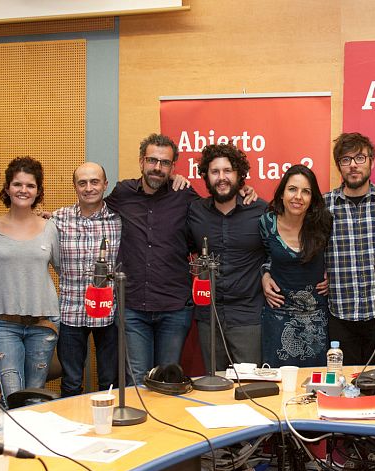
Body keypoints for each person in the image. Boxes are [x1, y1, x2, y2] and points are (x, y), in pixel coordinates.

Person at [105, 134, 199, 384]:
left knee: (168, 381)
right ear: (141, 161)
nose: (158, 168)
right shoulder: (122, 192)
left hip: (174, 307)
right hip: (133, 307)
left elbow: (215, 214)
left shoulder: (185, 195)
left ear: (173, 166)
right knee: (137, 382)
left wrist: (245, 190)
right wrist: (54, 218)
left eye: (165, 163)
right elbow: (92, 213)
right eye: (152, 160)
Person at [0, 157, 59, 403]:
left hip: (43, 323)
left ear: (38, 191)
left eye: (30, 185)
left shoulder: (50, 227)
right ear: (7, 188)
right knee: (13, 397)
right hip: (1, 323)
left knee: (35, 399)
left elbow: (64, 269)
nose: (23, 190)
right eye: (17, 184)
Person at [187, 143, 267, 368]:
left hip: (248, 316)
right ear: (205, 176)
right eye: (215, 172)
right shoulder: (194, 211)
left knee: (250, 385)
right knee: (214, 388)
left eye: (228, 171)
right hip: (207, 316)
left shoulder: (260, 211)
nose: (221, 178)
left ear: (239, 175)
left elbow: (276, 254)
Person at [324, 132, 375, 365]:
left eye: (359, 158)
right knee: (343, 385)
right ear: (339, 166)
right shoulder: (324, 205)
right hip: (340, 315)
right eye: (346, 160)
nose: (353, 165)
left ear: (371, 161)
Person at [52, 162, 120, 397]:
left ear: (105, 185)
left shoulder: (119, 220)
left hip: (108, 314)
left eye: (94, 182)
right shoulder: (57, 219)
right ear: (75, 186)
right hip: (71, 312)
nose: (89, 188)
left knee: (110, 381)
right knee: (71, 382)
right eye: (82, 183)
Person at [261, 165, 332, 367]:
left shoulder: (324, 222)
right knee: (278, 383)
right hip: (277, 314)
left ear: (312, 199)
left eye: (306, 191)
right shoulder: (267, 222)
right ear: (282, 193)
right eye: (292, 189)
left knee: (315, 382)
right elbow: (264, 256)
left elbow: (336, 255)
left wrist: (332, 274)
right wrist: (264, 275)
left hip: (316, 318)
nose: (298, 196)